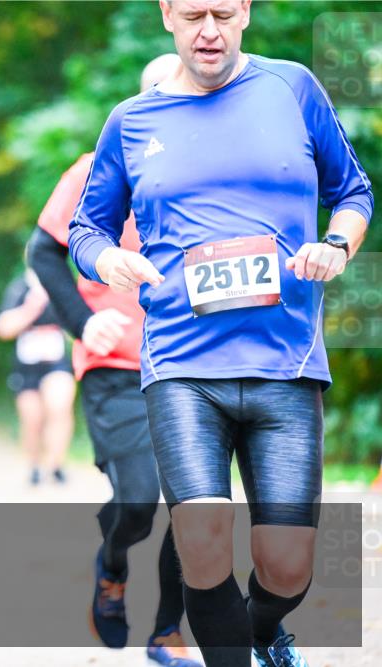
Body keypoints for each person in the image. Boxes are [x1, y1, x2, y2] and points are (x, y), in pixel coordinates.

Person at [68, 2, 373, 666]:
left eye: (224, 13)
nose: (209, 29)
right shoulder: (132, 120)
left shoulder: (292, 88)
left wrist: (336, 246)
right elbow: (85, 229)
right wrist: (107, 258)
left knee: (287, 566)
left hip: (285, 363)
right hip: (181, 364)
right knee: (203, 543)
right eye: (194, 14)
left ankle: (264, 630)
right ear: (168, 17)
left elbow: (353, 192)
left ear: (247, 15)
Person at [29, 53, 201, 667]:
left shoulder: (213, 173)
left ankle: (166, 631)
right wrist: (83, 322)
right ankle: (113, 564)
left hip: (191, 362)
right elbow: (43, 253)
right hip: (117, 366)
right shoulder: (94, 169)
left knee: (193, 505)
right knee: (139, 499)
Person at [0, 268, 75, 486]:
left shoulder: (61, 283)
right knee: (32, 419)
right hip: (27, 365)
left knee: (59, 408)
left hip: (56, 362)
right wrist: (31, 309)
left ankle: (56, 464)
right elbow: (2, 328)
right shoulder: (19, 287)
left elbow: (76, 320)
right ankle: (35, 466)